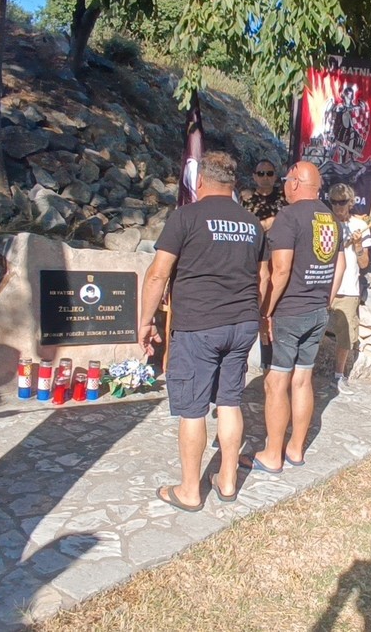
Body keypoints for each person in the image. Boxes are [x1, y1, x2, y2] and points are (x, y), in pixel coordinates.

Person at [138, 152, 267, 512]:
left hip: (199, 325)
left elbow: (158, 274)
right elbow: (265, 277)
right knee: (229, 401)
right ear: (233, 185)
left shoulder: (186, 217)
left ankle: (190, 491)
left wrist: (145, 321)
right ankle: (227, 481)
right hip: (242, 323)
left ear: (199, 182)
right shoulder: (252, 224)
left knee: (193, 410)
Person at [243, 161, 345, 473]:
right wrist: (326, 300)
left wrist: (266, 310)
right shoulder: (331, 217)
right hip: (316, 310)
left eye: (287, 179)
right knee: (303, 380)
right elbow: (339, 266)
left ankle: (272, 454)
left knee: (276, 382)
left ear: (297, 183)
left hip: (289, 311)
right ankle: (296, 449)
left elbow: (282, 269)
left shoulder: (288, 217)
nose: (284, 184)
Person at [326, 183, 370, 393]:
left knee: (345, 337)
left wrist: (359, 245)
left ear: (350, 202)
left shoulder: (359, 226)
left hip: (348, 289)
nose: (338, 206)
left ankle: (338, 375)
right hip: (323, 285)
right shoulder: (324, 222)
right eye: (334, 202)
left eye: (342, 202)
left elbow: (364, 264)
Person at [240, 158, 287, 230]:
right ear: (254, 177)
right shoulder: (246, 199)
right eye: (261, 173)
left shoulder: (284, 197)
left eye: (269, 173)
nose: (265, 177)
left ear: (275, 176)